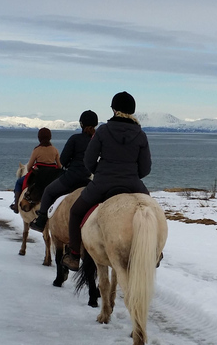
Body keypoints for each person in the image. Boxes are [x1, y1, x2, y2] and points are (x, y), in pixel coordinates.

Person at [62, 91, 151, 271]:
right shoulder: (141, 134)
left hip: (102, 184)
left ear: (114, 110)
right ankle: (155, 251)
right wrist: (131, 176)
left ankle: (73, 255)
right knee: (150, 212)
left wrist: (100, 172)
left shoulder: (103, 131)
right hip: (133, 184)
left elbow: (89, 161)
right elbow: (145, 168)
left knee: (76, 212)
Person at [29, 110, 99, 231]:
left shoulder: (74, 139)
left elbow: (64, 160)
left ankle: (41, 221)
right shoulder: (97, 141)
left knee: (48, 191)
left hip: (71, 178)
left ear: (81, 124)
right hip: (87, 180)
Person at [10, 127, 61, 213]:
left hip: (39, 176)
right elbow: (59, 166)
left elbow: (29, 166)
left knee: (19, 182)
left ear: (39, 138)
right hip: (51, 176)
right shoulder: (54, 150)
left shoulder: (37, 150)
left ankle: (16, 206)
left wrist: (32, 171)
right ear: (50, 137)